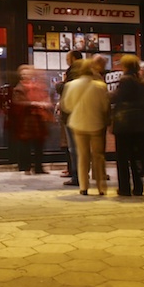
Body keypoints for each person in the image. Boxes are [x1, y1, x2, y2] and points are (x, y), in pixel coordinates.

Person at [60, 58, 111, 196]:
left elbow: (67, 106)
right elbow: (104, 106)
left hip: (78, 123)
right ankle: (101, 186)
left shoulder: (70, 85)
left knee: (82, 155)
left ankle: (84, 186)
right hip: (96, 123)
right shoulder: (100, 86)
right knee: (98, 156)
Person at [110, 54, 144, 196]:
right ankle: (138, 186)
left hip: (125, 123)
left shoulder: (125, 80)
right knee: (137, 157)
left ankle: (124, 188)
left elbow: (117, 97)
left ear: (125, 65)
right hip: (141, 123)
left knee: (123, 158)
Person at [11, 65, 53, 175]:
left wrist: (44, 103)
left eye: (28, 73)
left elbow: (44, 97)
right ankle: (26, 167)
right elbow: (18, 103)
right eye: (24, 74)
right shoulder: (19, 88)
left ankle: (38, 167)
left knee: (39, 143)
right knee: (26, 144)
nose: (26, 75)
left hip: (38, 117)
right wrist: (35, 104)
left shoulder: (36, 86)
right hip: (27, 118)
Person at [56, 51, 84, 186]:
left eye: (68, 58)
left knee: (74, 147)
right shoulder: (89, 74)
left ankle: (78, 177)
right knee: (81, 147)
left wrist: (60, 84)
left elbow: (67, 89)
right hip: (83, 113)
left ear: (73, 58)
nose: (67, 60)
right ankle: (82, 175)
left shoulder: (74, 72)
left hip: (72, 114)